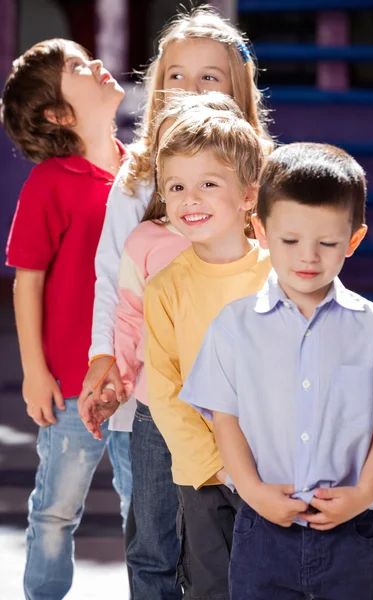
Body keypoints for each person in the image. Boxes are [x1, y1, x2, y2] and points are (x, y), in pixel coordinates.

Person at [77, 6, 273, 599]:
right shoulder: (138, 180)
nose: (190, 89)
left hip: (242, 402)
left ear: (237, 88)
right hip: (153, 396)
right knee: (155, 533)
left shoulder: (261, 177)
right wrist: (104, 359)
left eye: (209, 77)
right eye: (177, 77)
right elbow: (115, 281)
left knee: (231, 543)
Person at [180, 142, 373, 600]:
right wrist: (254, 492)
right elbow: (226, 420)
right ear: (260, 230)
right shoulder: (234, 325)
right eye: (291, 240)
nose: (308, 258)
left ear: (354, 241)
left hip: (351, 537)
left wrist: (362, 495)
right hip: (263, 532)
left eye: (327, 243)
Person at [1, 39, 132, 600]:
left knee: (146, 513)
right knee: (55, 510)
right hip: (71, 388)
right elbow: (26, 280)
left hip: (137, 383)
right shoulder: (50, 182)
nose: (98, 65)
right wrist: (35, 372)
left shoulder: (145, 172)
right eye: (78, 67)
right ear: (57, 113)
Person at [142, 107, 272, 600]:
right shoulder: (164, 288)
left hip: (277, 468)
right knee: (213, 588)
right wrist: (218, 466)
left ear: (248, 194)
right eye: (175, 187)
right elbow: (167, 393)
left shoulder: (282, 275)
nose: (189, 199)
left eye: (208, 185)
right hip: (206, 478)